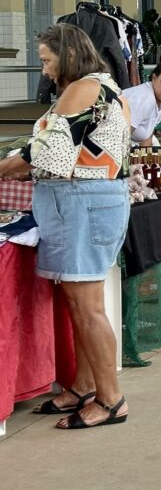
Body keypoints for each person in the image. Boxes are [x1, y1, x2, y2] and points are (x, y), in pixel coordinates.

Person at [0, 24, 131, 429]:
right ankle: (83, 387)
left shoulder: (84, 89)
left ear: (68, 54)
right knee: (79, 302)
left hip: (83, 202)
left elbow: (46, 154)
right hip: (82, 200)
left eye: (46, 60)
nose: (44, 70)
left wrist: (4, 169)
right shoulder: (98, 87)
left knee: (87, 305)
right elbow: (49, 151)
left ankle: (111, 400)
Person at [121, 59, 161, 146]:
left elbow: (148, 134)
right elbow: (120, 138)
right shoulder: (144, 99)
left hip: (132, 142)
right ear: (154, 78)